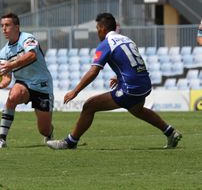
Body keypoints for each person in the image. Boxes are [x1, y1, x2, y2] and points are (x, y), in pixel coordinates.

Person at [47, 12, 182, 150]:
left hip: (131, 88)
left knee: (89, 106)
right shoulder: (127, 39)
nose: (97, 33)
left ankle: (70, 142)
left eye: (97, 29)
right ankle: (170, 132)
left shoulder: (106, 44)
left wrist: (75, 91)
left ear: (102, 29)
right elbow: (134, 62)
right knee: (137, 110)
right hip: (145, 84)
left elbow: (94, 71)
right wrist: (119, 76)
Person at [0, 13, 54, 149]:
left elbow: (31, 56)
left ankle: (49, 133)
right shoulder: (4, 52)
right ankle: (2, 139)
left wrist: (11, 65)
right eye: (2, 26)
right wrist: (1, 84)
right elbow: (7, 77)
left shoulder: (28, 38)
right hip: (23, 83)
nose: (4, 29)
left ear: (17, 27)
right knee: (12, 96)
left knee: (44, 129)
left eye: (7, 25)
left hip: (42, 84)